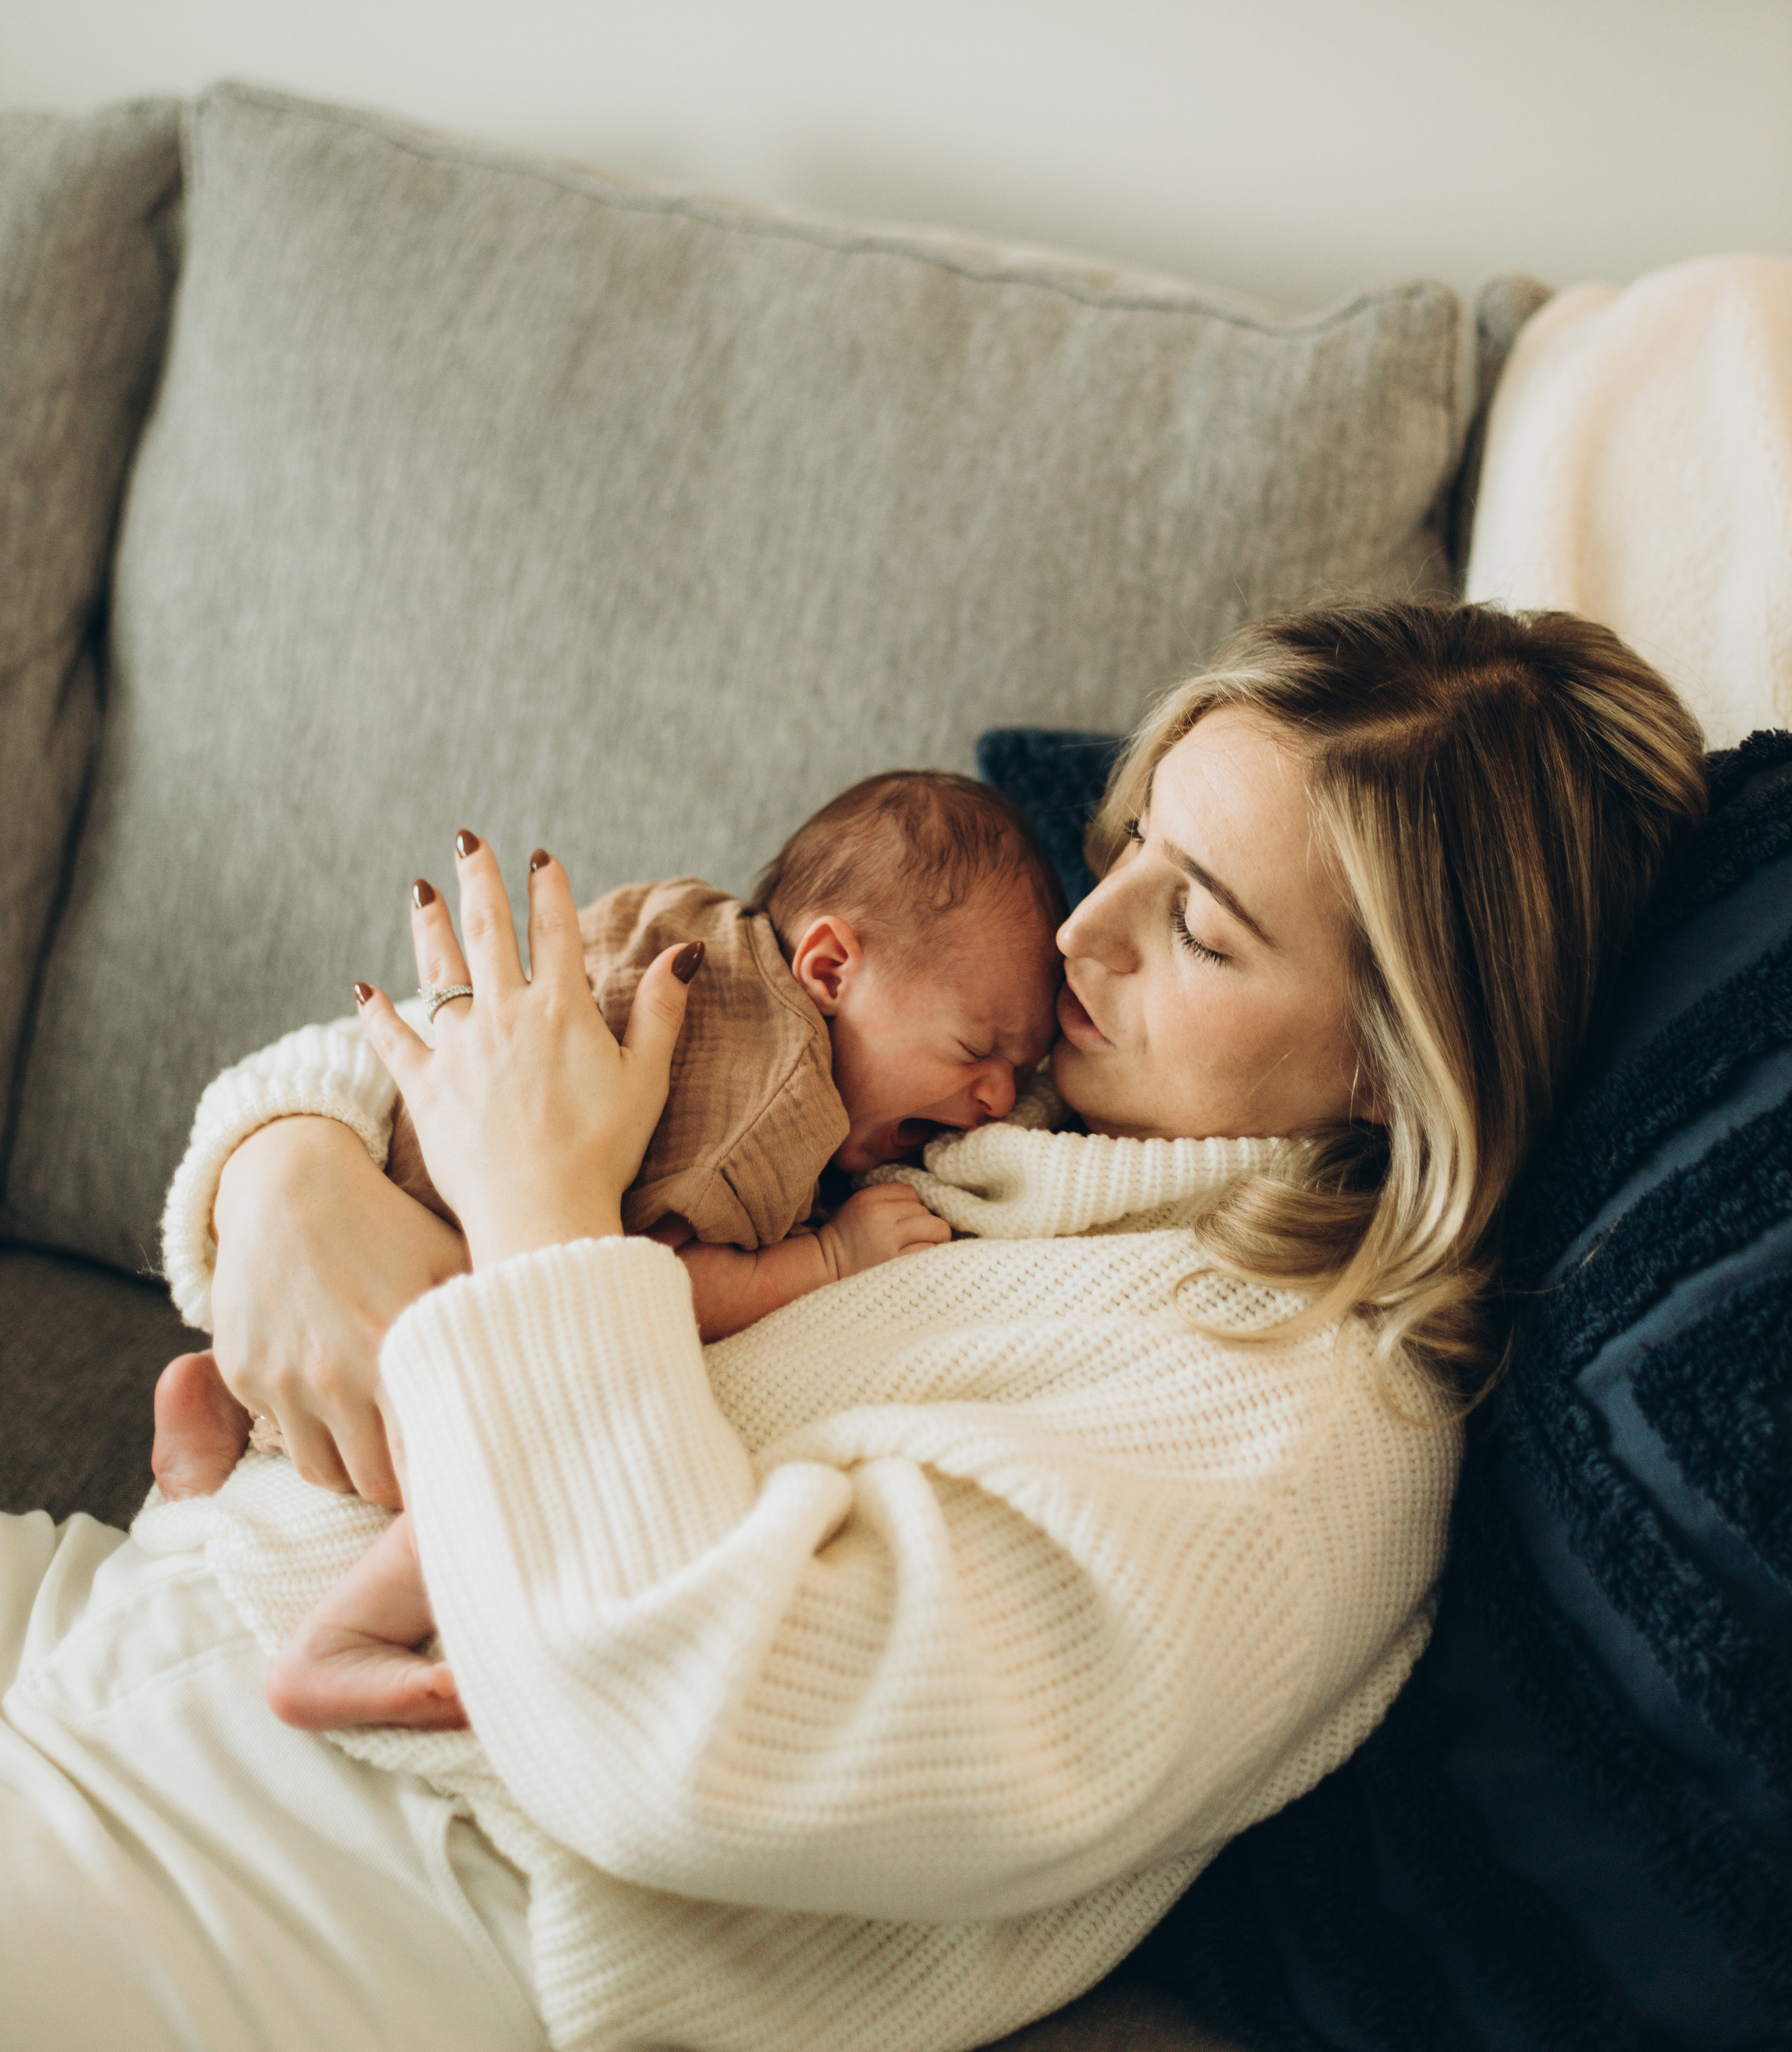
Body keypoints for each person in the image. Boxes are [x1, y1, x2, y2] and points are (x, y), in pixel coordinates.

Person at [0, 603, 1707, 2052]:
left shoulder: (1289, 1439)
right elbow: (467, 1072)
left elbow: (700, 1744)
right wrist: (289, 1176)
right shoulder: (1018, 1107)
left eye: (1195, 923)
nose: (1080, 933)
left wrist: (532, 1212)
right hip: (136, 1612)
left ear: (1398, 1061)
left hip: (332, 1875)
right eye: (1124, 851)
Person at [147, 771, 1063, 1731]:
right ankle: (342, 1640)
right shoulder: (775, 1109)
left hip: (389, 1203)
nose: (1001, 1099)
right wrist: (829, 1257)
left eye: (1021, 1071)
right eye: (976, 1052)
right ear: (830, 970)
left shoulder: (683, 921)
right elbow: (636, 1287)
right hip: (447, 1302)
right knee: (508, 1438)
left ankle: (216, 1399)